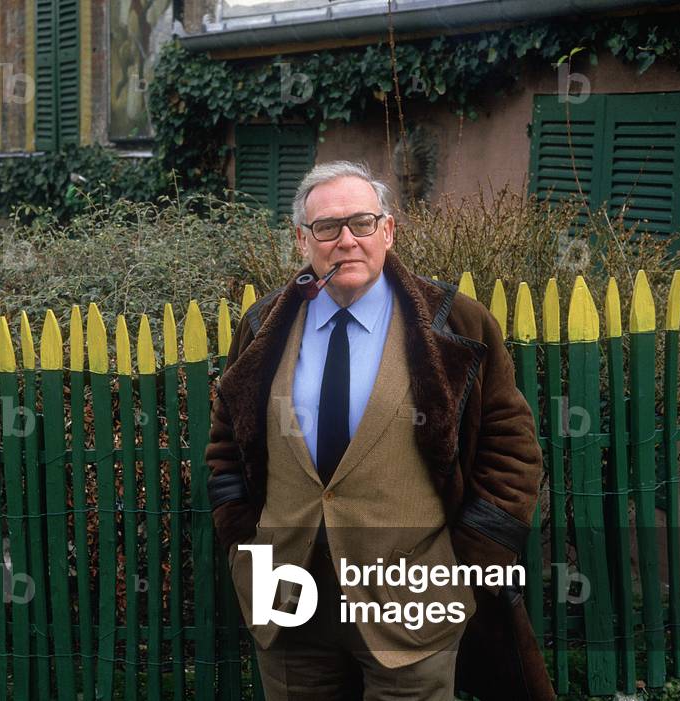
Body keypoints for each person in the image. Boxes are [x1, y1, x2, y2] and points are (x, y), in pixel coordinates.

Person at [205, 161, 555, 700]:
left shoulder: (456, 324)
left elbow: (511, 451)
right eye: (327, 227)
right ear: (303, 240)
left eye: (362, 223)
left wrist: (466, 570)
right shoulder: (262, 325)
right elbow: (227, 446)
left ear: (387, 231)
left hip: (414, 608)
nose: (346, 240)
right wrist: (242, 549)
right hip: (285, 604)